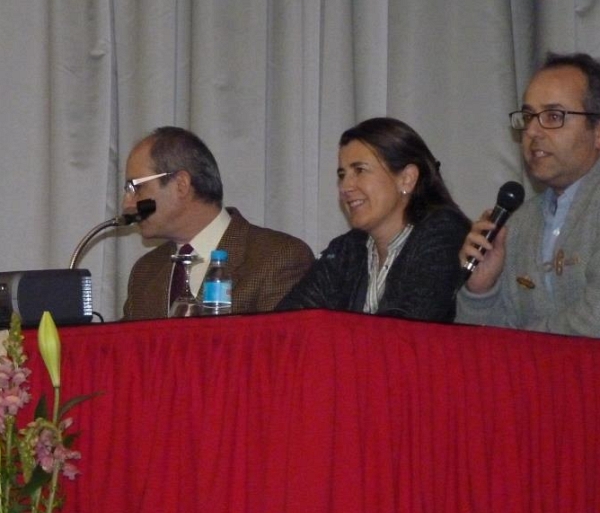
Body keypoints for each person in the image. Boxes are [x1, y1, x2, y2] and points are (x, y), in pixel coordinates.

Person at [457, 52, 600, 337]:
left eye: (553, 116)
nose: (533, 130)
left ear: (597, 131)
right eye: (528, 116)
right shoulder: (517, 225)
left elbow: (595, 320)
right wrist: (481, 291)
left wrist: (526, 347)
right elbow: (482, 346)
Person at [277, 117, 471, 322]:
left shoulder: (444, 235)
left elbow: (407, 331)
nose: (345, 187)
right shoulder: (346, 249)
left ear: (407, 178)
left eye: (359, 170)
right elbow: (286, 322)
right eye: (342, 175)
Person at [122, 126, 314, 319]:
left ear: (181, 185)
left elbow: (282, 345)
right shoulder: (146, 270)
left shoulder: (277, 257)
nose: (127, 204)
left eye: (136, 187)